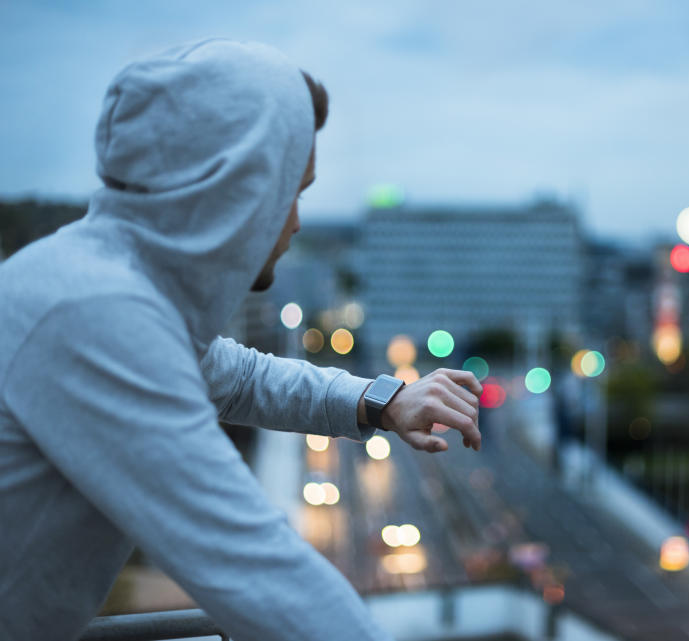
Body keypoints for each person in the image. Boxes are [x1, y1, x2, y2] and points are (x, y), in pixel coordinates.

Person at [0, 39, 482, 641]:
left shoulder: (109, 287)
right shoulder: (89, 316)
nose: (298, 221)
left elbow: (245, 378)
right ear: (239, 189)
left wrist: (386, 400)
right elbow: (258, 571)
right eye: (291, 191)